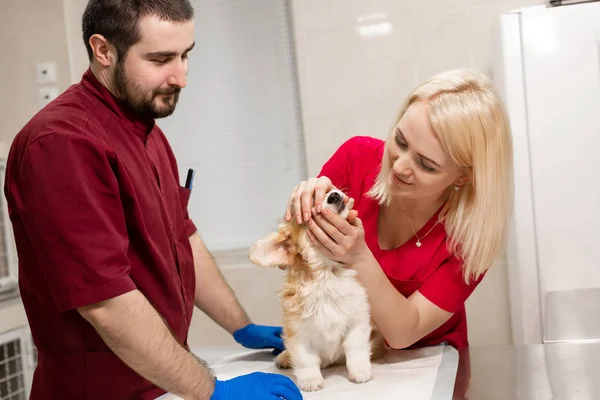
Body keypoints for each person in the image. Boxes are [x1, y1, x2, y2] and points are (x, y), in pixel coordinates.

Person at [3, 1, 302, 399]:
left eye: (185, 56)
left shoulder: (146, 130)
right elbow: (105, 303)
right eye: (161, 59)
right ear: (103, 50)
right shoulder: (62, 145)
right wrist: (212, 391)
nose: (180, 77)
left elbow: (183, 238)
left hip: (161, 381)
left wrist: (241, 326)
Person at [286, 68, 513, 351]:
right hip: (350, 352)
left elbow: (404, 333)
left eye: (426, 164)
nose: (400, 166)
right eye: (401, 142)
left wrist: (358, 257)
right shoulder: (355, 158)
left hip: (428, 360)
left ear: (463, 177)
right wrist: (301, 211)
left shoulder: (469, 237)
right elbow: (297, 259)